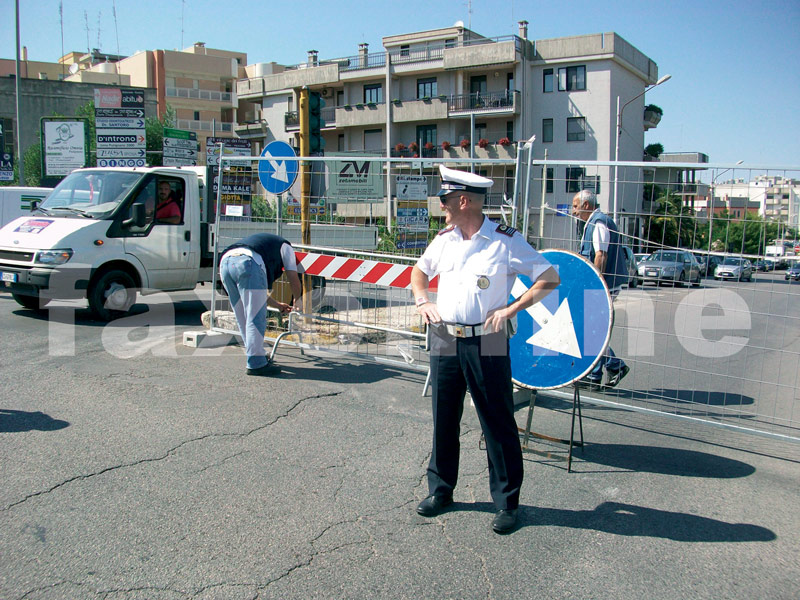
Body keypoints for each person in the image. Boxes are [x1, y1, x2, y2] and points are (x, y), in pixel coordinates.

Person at [411, 164, 560, 535]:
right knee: (443, 417)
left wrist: (511, 309)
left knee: (497, 421)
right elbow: (419, 271)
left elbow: (549, 278)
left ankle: (507, 502)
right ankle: (441, 491)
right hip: (445, 335)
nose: (442, 206)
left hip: (488, 338)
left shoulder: (505, 241)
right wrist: (421, 300)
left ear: (464, 201)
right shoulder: (444, 239)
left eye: (446, 200)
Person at [219, 233, 302, 376]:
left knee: (242, 316)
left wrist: (276, 304)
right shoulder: (286, 247)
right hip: (248, 263)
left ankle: (256, 355)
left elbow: (258, 293)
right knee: (255, 317)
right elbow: (292, 276)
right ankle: (256, 363)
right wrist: (298, 299)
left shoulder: (264, 244)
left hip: (225, 263)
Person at [571, 189, 630, 389]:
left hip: (603, 285)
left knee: (591, 329)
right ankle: (595, 375)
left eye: (576, 206)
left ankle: (614, 366)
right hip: (602, 285)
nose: (573, 211)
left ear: (586, 205)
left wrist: (596, 284)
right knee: (591, 329)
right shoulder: (593, 222)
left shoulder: (598, 223)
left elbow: (601, 255)